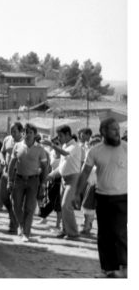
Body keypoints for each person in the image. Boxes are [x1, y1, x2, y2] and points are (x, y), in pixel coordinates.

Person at [74, 118, 127, 278]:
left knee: (119, 232)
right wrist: (77, 193)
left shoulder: (127, 148)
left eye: (118, 129)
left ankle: (125, 266)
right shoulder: (95, 151)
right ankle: (108, 268)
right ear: (103, 131)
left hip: (123, 197)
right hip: (102, 197)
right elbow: (84, 173)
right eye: (113, 129)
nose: (118, 132)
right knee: (104, 234)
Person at [7, 124, 48, 242]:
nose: (28, 135)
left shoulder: (40, 149)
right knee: (16, 205)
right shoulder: (17, 146)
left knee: (29, 208)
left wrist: (43, 184)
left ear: (35, 134)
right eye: (26, 132)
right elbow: (11, 164)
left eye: (30, 132)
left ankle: (26, 233)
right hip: (18, 179)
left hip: (33, 181)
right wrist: (9, 181)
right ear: (23, 133)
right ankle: (21, 225)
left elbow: (45, 167)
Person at [43, 125, 82, 239]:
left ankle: (73, 233)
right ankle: (65, 230)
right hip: (64, 179)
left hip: (73, 180)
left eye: (60, 136)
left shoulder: (75, 146)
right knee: (63, 206)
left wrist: (52, 145)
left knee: (66, 205)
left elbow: (65, 153)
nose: (59, 138)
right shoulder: (65, 146)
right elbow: (61, 167)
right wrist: (50, 175)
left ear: (68, 135)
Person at [0, 122, 23, 233]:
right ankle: (13, 219)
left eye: (15, 131)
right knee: (3, 197)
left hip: (17, 174)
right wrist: (2, 159)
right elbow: (1, 152)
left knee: (15, 200)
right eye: (11, 131)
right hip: (5, 173)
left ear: (21, 132)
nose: (12, 133)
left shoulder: (24, 142)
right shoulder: (7, 139)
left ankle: (14, 224)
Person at [38, 136, 63, 229]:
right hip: (51, 179)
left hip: (60, 180)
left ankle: (58, 224)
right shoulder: (51, 153)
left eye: (57, 143)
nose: (55, 145)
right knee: (50, 199)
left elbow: (61, 168)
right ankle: (43, 217)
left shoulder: (63, 154)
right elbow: (48, 166)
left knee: (57, 203)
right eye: (54, 143)